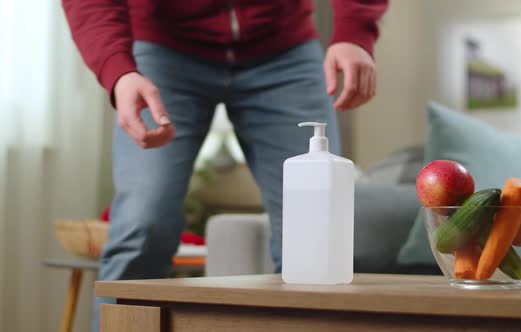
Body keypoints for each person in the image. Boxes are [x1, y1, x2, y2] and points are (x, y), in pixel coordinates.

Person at [62, 1, 387, 330]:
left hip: (283, 48)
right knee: (143, 222)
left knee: (321, 226)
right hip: (163, 48)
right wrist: (118, 71)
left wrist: (354, 33)